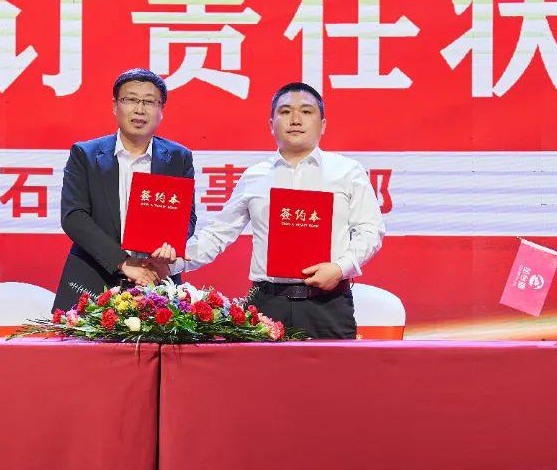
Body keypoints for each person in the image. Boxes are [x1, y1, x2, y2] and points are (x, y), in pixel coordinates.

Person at [154, 82, 384, 338]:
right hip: (268, 304)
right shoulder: (255, 176)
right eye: (285, 112)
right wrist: (169, 264)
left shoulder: (347, 172)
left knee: (334, 366)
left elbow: (369, 232)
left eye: (306, 111)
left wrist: (340, 268)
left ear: (323, 125)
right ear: (271, 124)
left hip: (328, 304)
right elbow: (218, 234)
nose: (295, 120)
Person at [52, 68, 197, 311]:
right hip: (93, 278)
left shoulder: (178, 158)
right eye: (130, 99)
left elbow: (187, 217)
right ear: (115, 105)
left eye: (149, 102)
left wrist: (169, 247)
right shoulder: (85, 155)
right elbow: (74, 216)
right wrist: (123, 262)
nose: (140, 109)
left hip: (156, 278)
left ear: (161, 110)